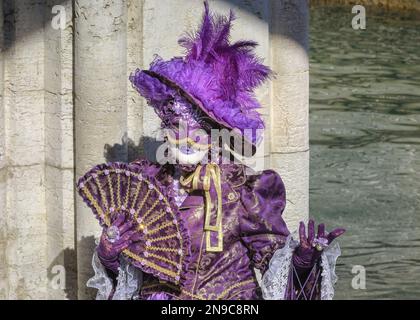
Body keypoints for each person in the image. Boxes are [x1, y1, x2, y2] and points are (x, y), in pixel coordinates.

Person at [78, 1, 345, 300]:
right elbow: (126, 275)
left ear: (215, 134)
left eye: (197, 129)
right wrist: (110, 255)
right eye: (175, 126)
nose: (186, 137)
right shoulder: (146, 182)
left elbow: (274, 268)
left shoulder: (244, 191)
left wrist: (302, 260)